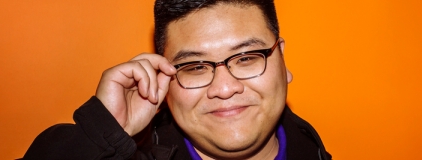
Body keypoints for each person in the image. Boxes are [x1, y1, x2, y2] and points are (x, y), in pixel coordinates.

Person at [23, 0, 331, 159]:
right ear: (164, 78)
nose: (224, 88)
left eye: (246, 58)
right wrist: (104, 135)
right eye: (195, 67)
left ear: (282, 58)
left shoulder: (313, 150)